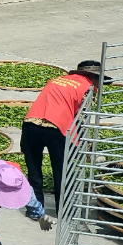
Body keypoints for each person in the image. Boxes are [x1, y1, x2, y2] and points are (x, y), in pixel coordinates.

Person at [21, 59, 109, 224]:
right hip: (56, 128)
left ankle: (34, 210)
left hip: (31, 124)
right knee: (61, 172)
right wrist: (86, 148)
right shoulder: (88, 89)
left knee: (34, 172)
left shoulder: (56, 80)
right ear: (93, 76)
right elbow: (81, 119)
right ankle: (64, 211)